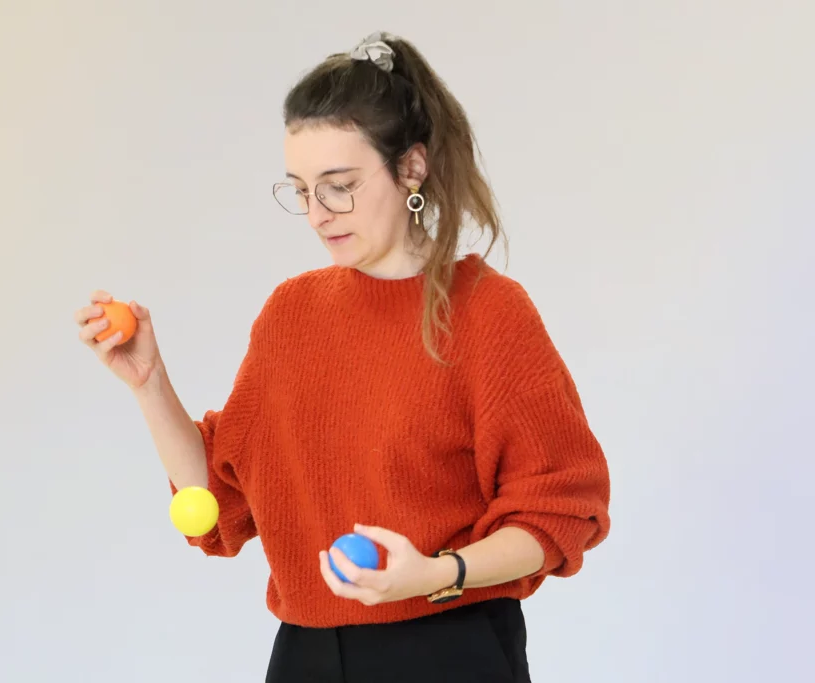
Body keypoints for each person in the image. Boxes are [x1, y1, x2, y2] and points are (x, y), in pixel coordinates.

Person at [74, 31, 611, 683]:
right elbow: (217, 503)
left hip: (449, 652)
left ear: (411, 167)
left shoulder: (488, 312)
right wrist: (149, 382)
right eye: (300, 189)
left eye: (340, 185)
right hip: (306, 657)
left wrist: (440, 573)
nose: (318, 213)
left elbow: (559, 508)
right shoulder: (290, 314)